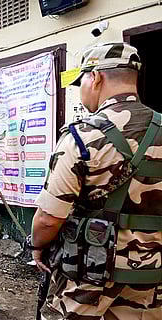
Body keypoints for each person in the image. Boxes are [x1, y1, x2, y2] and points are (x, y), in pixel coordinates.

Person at [31, 42, 162, 319]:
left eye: (82, 81)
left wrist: (37, 247)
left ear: (96, 77)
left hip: (88, 281)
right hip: (153, 282)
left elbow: (48, 218)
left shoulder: (81, 137)